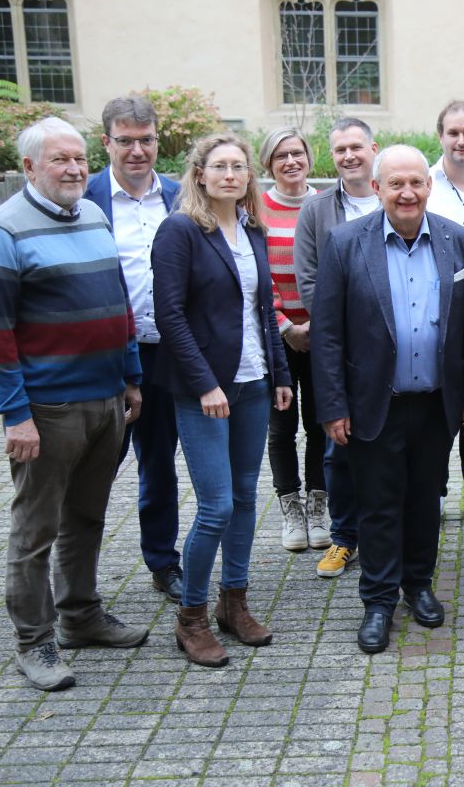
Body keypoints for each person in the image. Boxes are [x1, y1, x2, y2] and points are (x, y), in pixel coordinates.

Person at [0, 116, 148, 691]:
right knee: (35, 530)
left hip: (104, 400)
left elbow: (118, 304)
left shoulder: (93, 214)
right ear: (29, 167)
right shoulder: (1, 233)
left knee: (87, 517)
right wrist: (15, 414)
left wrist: (131, 376)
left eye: (78, 159)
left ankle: (81, 617)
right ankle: (35, 642)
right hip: (46, 410)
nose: (73, 170)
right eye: (59, 160)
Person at [311, 145, 464, 654]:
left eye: (415, 183)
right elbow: (326, 334)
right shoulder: (345, 243)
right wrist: (333, 406)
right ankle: (378, 601)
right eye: (395, 184)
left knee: (426, 501)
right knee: (379, 505)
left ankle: (418, 585)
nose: (406, 193)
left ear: (428, 186)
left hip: (436, 403)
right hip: (373, 402)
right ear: (379, 187)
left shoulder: (459, 241)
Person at [152, 133, 293, 667]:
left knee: (243, 498)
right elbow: (170, 316)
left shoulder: (252, 229)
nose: (230, 175)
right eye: (220, 167)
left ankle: (235, 603)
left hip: (255, 382)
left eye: (239, 166)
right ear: (200, 174)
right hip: (203, 389)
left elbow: (264, 309)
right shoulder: (180, 231)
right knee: (215, 506)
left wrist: (279, 373)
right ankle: (191, 617)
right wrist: (206, 383)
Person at [84, 95, 184, 603]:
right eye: (126, 140)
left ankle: (163, 562)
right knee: (96, 467)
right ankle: (79, 578)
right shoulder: (84, 198)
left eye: (146, 140)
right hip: (104, 359)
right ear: (107, 142)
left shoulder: (180, 195)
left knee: (160, 462)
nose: (138, 150)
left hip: (166, 353)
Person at [293, 118, 381, 579]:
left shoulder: (396, 197)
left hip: (395, 352)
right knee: (338, 448)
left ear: (374, 149)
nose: (349, 156)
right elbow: (310, 279)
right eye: (340, 149)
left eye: (356, 147)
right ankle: (344, 538)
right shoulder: (317, 209)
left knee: (390, 445)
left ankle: (390, 535)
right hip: (343, 348)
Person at [257, 127, 328, 554]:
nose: (290, 162)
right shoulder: (256, 209)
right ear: (269, 163)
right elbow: (256, 275)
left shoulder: (323, 204)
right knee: (281, 426)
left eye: (297, 153)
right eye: (280, 155)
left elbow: (332, 269)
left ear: (308, 157)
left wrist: (316, 325)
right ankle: (291, 509)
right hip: (276, 334)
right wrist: (285, 325)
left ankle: (319, 505)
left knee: (321, 421)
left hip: (321, 332)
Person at [426, 100, 464, 523]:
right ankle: (435, 488)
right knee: (439, 404)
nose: (461, 141)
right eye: (454, 133)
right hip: (438, 309)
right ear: (441, 136)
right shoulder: (423, 182)